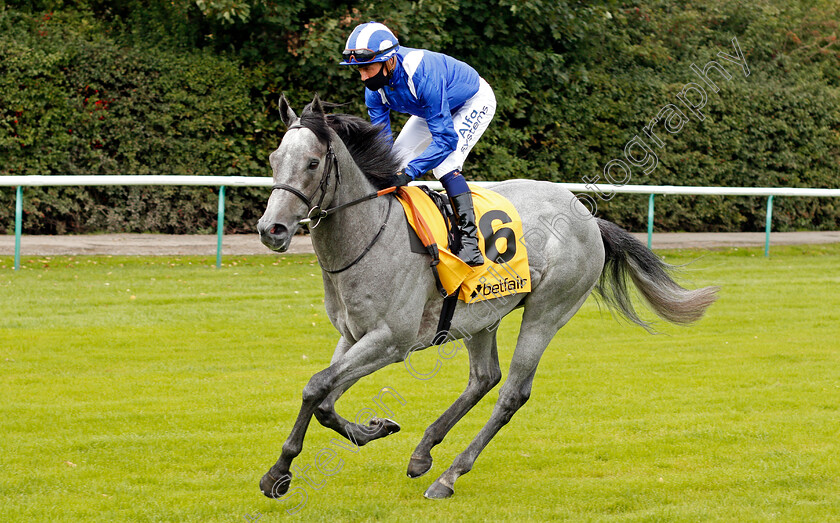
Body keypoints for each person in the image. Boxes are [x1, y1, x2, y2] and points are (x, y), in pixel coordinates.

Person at [339, 21, 497, 267]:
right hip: (431, 108)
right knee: (397, 160)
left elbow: (445, 139)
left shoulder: (422, 74)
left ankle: (470, 242)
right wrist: (391, 171)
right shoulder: (373, 89)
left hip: (472, 101)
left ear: (389, 60)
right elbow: (382, 141)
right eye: (358, 70)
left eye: (367, 68)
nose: (363, 77)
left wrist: (410, 173)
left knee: (444, 165)